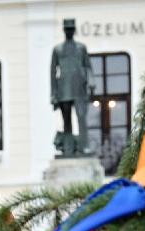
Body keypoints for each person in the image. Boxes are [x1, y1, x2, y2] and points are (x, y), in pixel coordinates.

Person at [50, 18, 94, 156]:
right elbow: (52, 73)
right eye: (67, 29)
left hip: (79, 88)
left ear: (74, 30)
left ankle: (83, 147)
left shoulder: (81, 47)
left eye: (71, 29)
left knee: (82, 119)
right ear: (64, 30)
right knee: (66, 121)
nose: (69, 31)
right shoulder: (57, 49)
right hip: (63, 90)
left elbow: (88, 66)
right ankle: (68, 148)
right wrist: (53, 94)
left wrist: (91, 82)